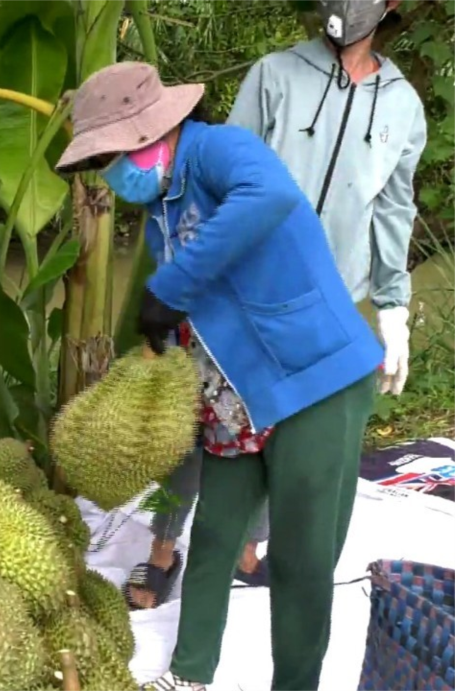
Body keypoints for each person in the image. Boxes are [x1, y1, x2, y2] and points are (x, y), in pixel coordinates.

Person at [54, 60, 385, 691]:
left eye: (112, 157)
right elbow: (201, 304)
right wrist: (162, 342)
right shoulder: (159, 208)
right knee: (211, 539)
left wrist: (170, 286)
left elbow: (269, 198)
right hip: (235, 401)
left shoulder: (219, 150)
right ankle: (189, 674)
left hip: (314, 381)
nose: (111, 175)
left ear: (152, 133)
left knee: (302, 561)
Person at [221, 0, 426, 586]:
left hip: (331, 295)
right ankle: (164, 547)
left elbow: (393, 209)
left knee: (297, 428)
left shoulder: (402, 105)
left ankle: (252, 547)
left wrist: (392, 307)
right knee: (220, 421)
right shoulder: (275, 74)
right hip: (253, 282)